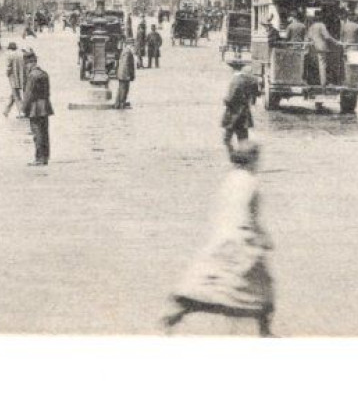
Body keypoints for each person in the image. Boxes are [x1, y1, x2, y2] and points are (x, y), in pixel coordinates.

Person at [161, 141, 275, 336]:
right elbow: (251, 215)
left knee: (213, 281)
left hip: (223, 236)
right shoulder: (251, 181)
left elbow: (223, 209)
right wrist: (263, 237)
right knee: (263, 285)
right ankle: (265, 331)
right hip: (243, 239)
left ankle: (182, 306)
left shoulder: (229, 179)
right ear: (253, 159)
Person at [221, 60, 261, 150]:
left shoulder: (235, 80)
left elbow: (231, 97)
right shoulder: (248, 79)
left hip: (233, 112)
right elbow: (256, 92)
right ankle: (243, 155)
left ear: (233, 70)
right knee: (243, 135)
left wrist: (226, 100)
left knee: (227, 136)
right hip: (244, 111)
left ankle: (233, 154)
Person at [25, 53, 52, 165]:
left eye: (26, 64)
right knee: (45, 132)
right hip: (45, 106)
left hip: (35, 108)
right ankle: (45, 156)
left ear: (30, 62)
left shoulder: (32, 75)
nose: (26, 66)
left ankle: (39, 158)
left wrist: (24, 108)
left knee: (37, 133)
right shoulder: (44, 74)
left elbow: (28, 94)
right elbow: (48, 91)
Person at [304, 12, 339, 86]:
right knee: (323, 65)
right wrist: (336, 42)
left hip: (313, 47)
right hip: (322, 47)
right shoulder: (321, 25)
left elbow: (308, 37)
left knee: (316, 64)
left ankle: (314, 82)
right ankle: (323, 83)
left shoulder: (312, 26)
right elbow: (327, 36)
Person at [3, 42, 29, 118]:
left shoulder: (9, 55)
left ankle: (22, 112)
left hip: (13, 78)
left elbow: (8, 67)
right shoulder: (21, 54)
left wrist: (7, 74)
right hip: (23, 77)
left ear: (9, 48)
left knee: (16, 95)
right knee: (14, 94)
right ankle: (6, 111)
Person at [114, 40, 137, 109]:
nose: (134, 48)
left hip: (122, 73)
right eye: (133, 46)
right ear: (130, 45)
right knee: (124, 89)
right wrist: (128, 75)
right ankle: (122, 104)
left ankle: (117, 104)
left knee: (121, 89)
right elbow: (126, 64)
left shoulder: (125, 51)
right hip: (124, 74)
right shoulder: (128, 52)